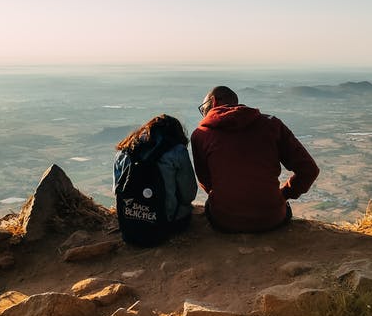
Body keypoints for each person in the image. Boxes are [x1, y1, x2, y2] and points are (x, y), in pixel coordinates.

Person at [191, 86, 319, 233]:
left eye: (203, 109)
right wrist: (284, 194)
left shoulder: (200, 135)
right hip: (273, 218)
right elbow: (309, 170)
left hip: (225, 221)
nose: (204, 114)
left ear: (213, 102)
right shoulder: (272, 125)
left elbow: (206, 182)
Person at [113, 114, 197, 247]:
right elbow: (188, 194)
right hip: (167, 225)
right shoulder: (177, 151)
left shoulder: (125, 149)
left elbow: (117, 189)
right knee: (187, 208)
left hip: (129, 227)